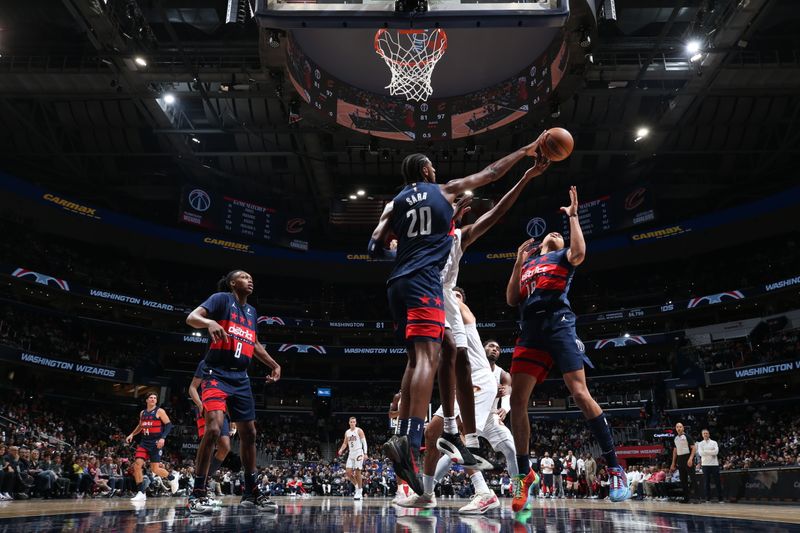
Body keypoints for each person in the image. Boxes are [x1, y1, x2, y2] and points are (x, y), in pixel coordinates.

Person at [369, 139, 544, 495]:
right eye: (432, 166)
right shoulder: (443, 194)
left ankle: (453, 433)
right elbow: (490, 175)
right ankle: (412, 436)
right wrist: (526, 154)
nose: (436, 170)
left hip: (400, 285)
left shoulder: (400, 207)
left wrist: (403, 254)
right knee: (431, 359)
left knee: (450, 353)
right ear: (425, 171)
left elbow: (375, 247)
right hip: (428, 288)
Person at [506, 186, 630, 511]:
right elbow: (511, 299)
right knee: (516, 401)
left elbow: (579, 253)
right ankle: (524, 475)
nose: (553, 236)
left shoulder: (563, 255)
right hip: (530, 330)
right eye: (554, 235)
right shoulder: (531, 263)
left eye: (558, 236)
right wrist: (519, 261)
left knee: (579, 393)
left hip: (558, 323)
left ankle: (615, 467)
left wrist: (573, 217)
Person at [435, 162, 550, 467]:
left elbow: (496, 213)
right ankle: (429, 485)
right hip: (428, 301)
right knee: (440, 430)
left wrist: (525, 176)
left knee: (494, 447)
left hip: (479, 387)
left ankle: (503, 481)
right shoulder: (426, 239)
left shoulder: (456, 253)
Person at [398, 290, 527, 514]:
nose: (452, 297)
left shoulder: (461, 312)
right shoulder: (441, 321)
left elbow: (509, 393)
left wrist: (449, 295)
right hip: (461, 387)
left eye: (457, 295)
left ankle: (488, 492)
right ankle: (427, 494)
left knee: (471, 439)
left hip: (478, 385)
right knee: (432, 433)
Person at [186, 269, 282, 514]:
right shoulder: (220, 299)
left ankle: (251, 492)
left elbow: (254, 344)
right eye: (244, 276)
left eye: (252, 277)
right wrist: (209, 322)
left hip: (241, 378)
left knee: (249, 433)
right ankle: (197, 493)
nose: (250, 279)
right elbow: (192, 317)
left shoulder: (251, 312)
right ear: (232, 283)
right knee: (215, 428)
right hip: (216, 373)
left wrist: (273, 364)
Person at [189, 359, 235, 487]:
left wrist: (233, 419)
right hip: (206, 406)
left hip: (222, 408)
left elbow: (230, 396)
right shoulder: (205, 363)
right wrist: (199, 404)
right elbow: (192, 387)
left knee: (225, 447)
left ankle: (204, 478)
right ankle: (200, 484)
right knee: (209, 444)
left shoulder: (230, 366)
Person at [125, 393, 172, 502]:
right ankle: (141, 492)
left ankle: (172, 478)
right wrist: (132, 434)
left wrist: (163, 438)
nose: (153, 399)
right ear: (146, 400)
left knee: (155, 469)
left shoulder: (160, 411)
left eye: (155, 398)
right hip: (144, 442)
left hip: (155, 443)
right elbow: (140, 426)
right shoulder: (143, 413)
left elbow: (169, 425)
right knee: (137, 465)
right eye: (151, 397)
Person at [337, 417, 368, 500]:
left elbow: (364, 442)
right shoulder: (347, 432)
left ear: (356, 422)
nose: (352, 423)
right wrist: (341, 449)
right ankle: (357, 487)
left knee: (358, 472)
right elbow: (345, 443)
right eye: (351, 422)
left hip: (358, 452)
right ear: (349, 423)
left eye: (354, 422)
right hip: (351, 453)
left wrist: (365, 453)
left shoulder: (359, 430)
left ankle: (360, 491)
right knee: (348, 472)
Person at [670, 422, 696, 504]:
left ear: (683, 428)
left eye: (680, 427)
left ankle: (696, 498)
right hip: (680, 459)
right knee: (683, 480)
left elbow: (694, 448)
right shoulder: (676, 438)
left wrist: (691, 459)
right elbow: (675, 451)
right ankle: (686, 498)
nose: (678, 428)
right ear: (676, 428)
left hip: (688, 458)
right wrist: (673, 463)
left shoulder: (687, 436)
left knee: (693, 478)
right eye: (677, 427)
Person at [697, 428, 723, 502]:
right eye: (704, 433)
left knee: (717, 482)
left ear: (709, 434)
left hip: (714, 464)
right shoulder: (700, 443)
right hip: (705, 465)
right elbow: (701, 453)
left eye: (706, 433)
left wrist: (705, 451)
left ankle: (720, 498)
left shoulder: (714, 442)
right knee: (706, 482)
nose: (705, 434)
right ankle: (707, 499)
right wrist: (711, 451)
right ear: (702, 435)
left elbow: (716, 452)